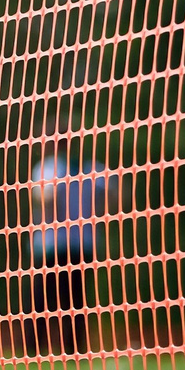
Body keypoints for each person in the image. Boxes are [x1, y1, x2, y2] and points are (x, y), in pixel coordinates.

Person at [27, 149, 107, 356]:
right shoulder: (48, 168)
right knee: (41, 301)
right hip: (51, 245)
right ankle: (33, 351)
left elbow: (112, 198)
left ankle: (73, 351)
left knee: (75, 303)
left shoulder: (92, 169)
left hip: (80, 245)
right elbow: (41, 197)